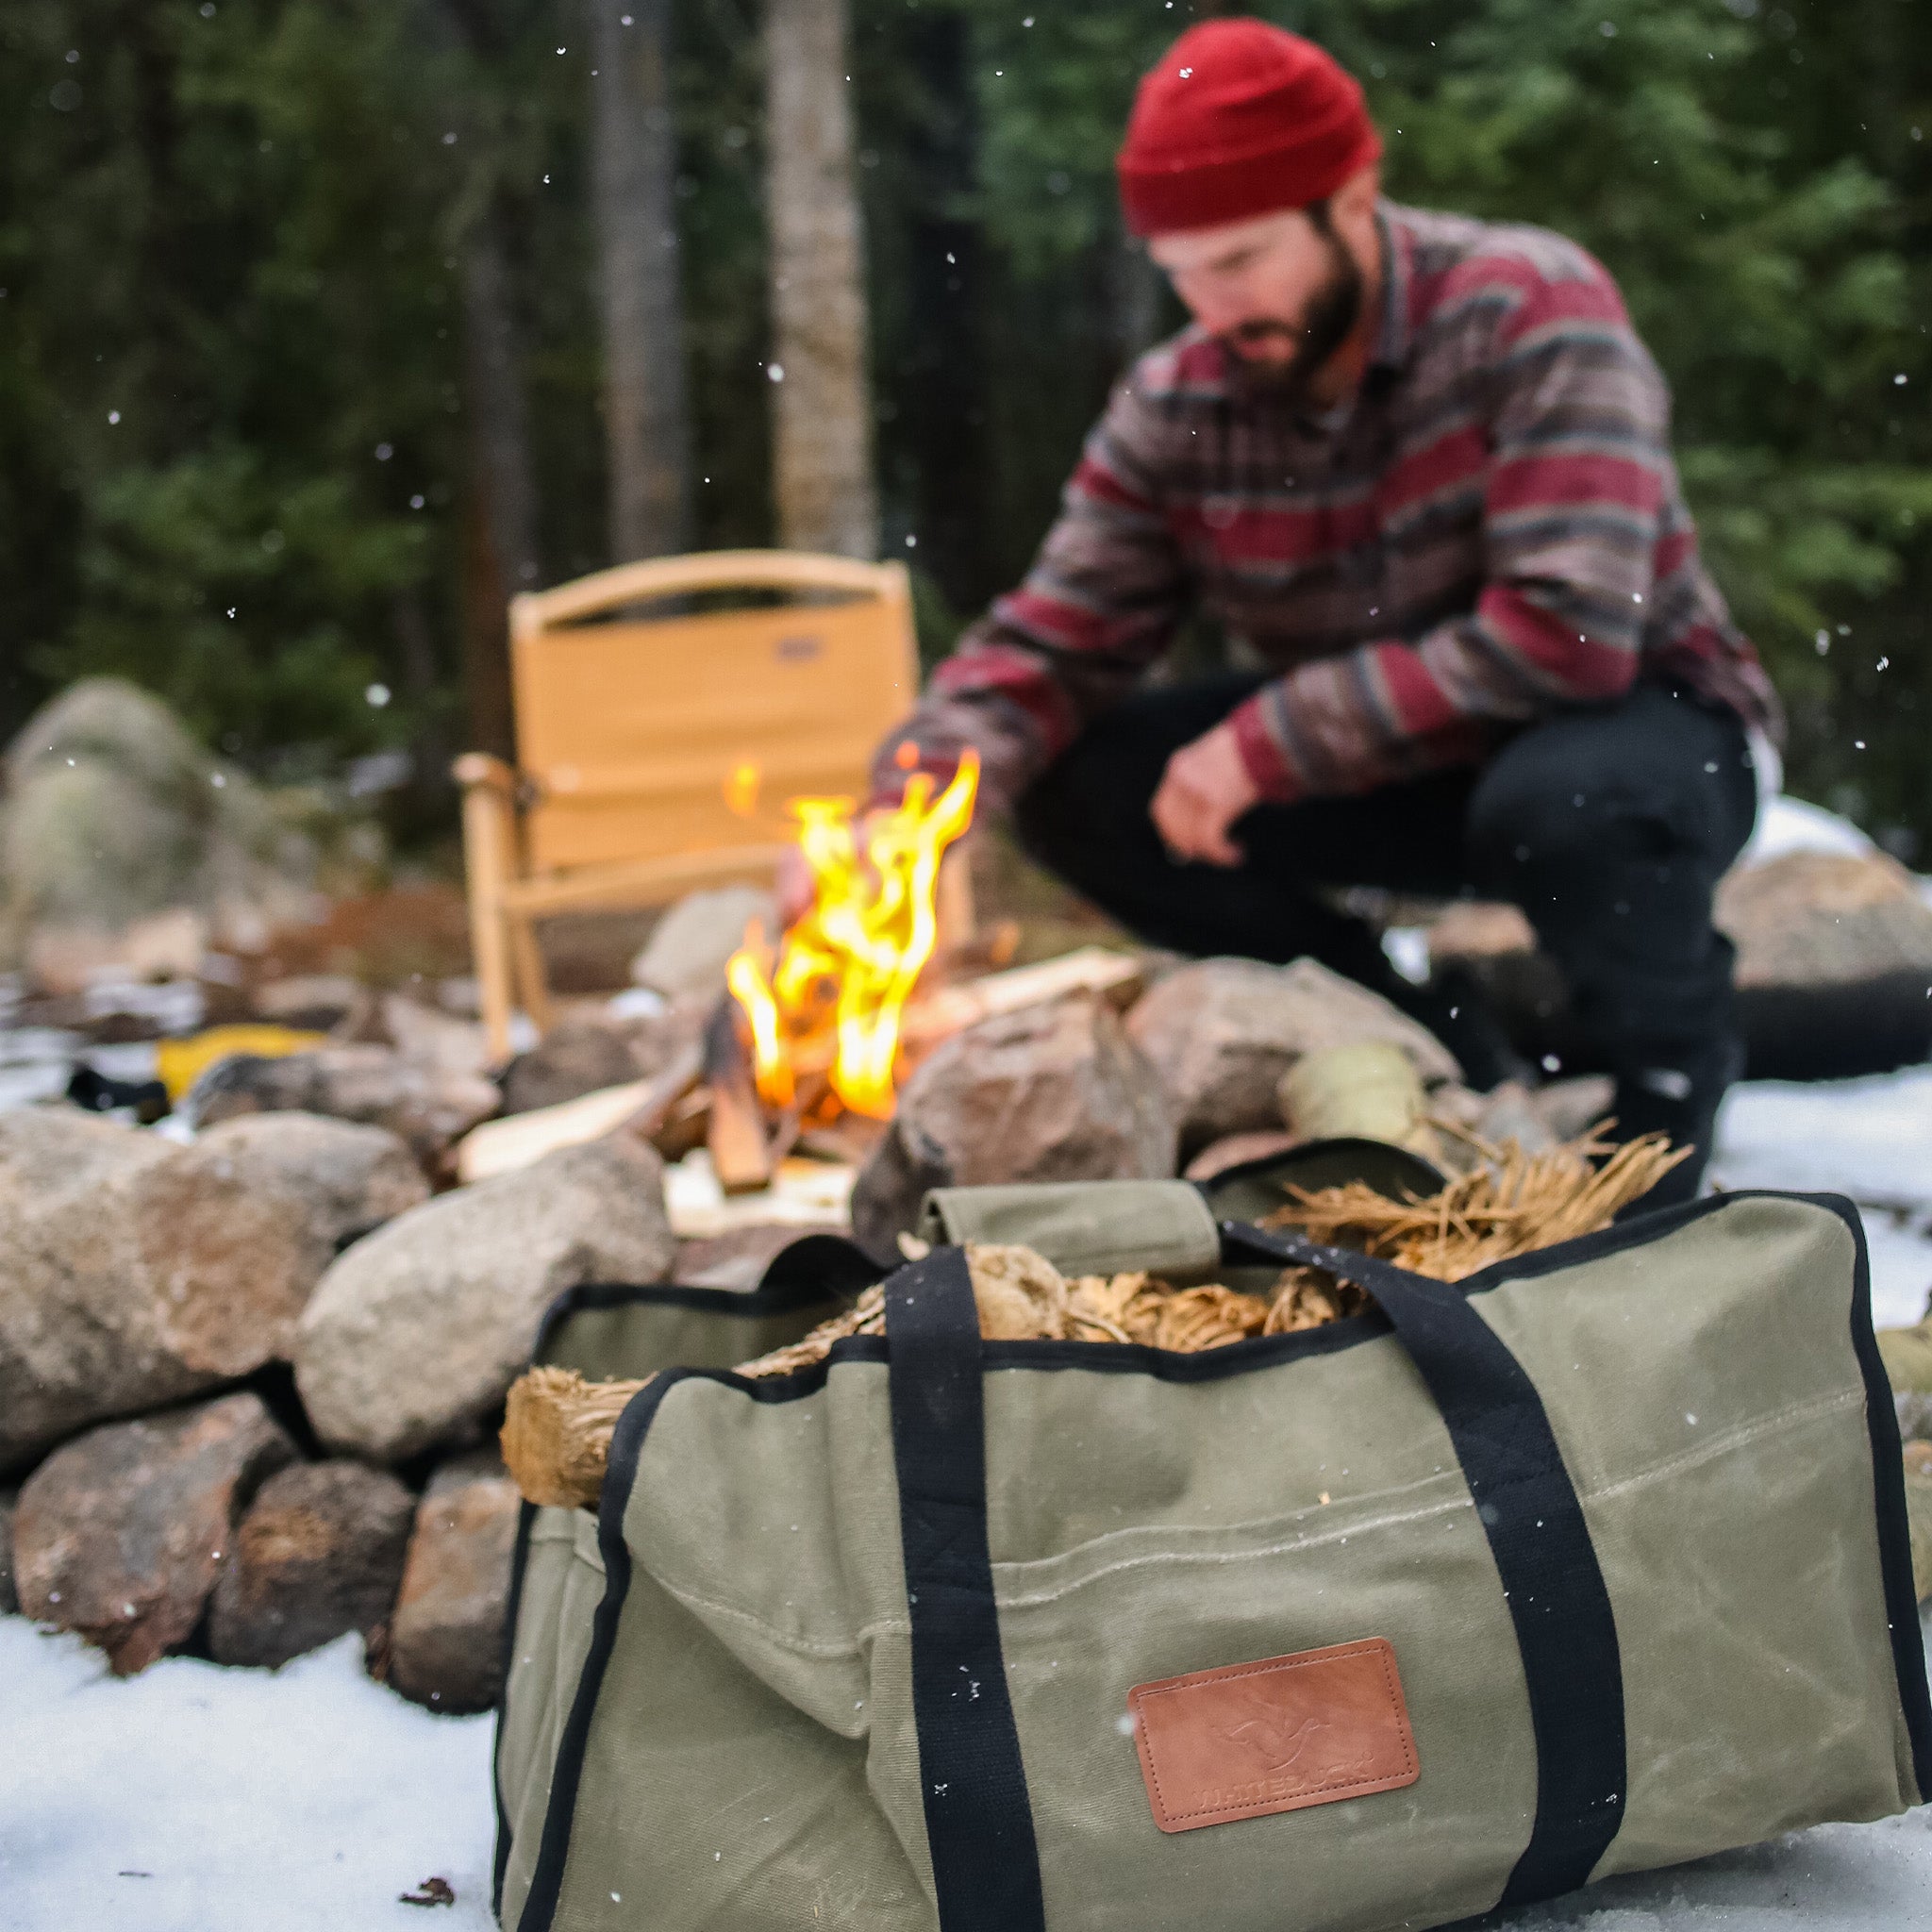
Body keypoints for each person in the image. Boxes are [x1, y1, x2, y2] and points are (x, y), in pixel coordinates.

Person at [842, 18, 1783, 1203]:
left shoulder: (1531, 308)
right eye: (1180, 270)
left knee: (1570, 799)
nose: (1209, 303)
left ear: (1351, 199)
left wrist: (1261, 743)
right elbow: (1052, 639)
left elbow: (1568, 635)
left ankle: (1662, 1107)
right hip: (1391, 762)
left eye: (1237, 260)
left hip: (1637, 731)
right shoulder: (1178, 403)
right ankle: (1403, 1024)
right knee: (1080, 779)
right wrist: (900, 815)